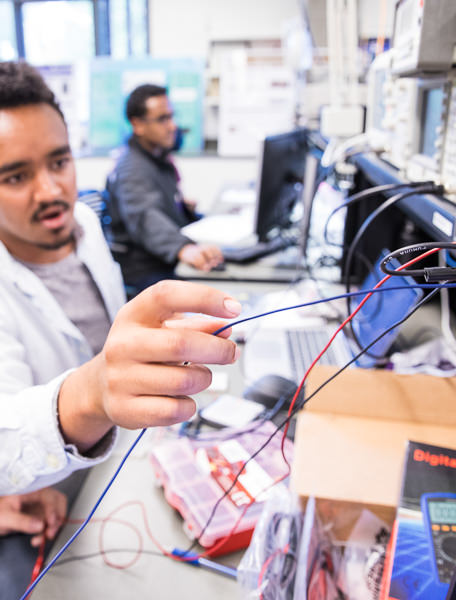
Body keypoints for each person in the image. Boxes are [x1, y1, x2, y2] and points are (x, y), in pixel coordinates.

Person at [0, 61, 240, 594]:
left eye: (59, 161)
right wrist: (92, 394)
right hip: (50, 479)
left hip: (103, 455)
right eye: (15, 176)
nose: (50, 190)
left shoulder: (83, 223)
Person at [106, 83, 223, 294]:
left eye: (171, 116)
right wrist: (182, 247)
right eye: (163, 119)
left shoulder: (156, 156)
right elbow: (144, 216)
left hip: (159, 258)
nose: (172, 126)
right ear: (137, 125)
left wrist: (183, 209)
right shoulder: (131, 168)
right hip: (145, 269)